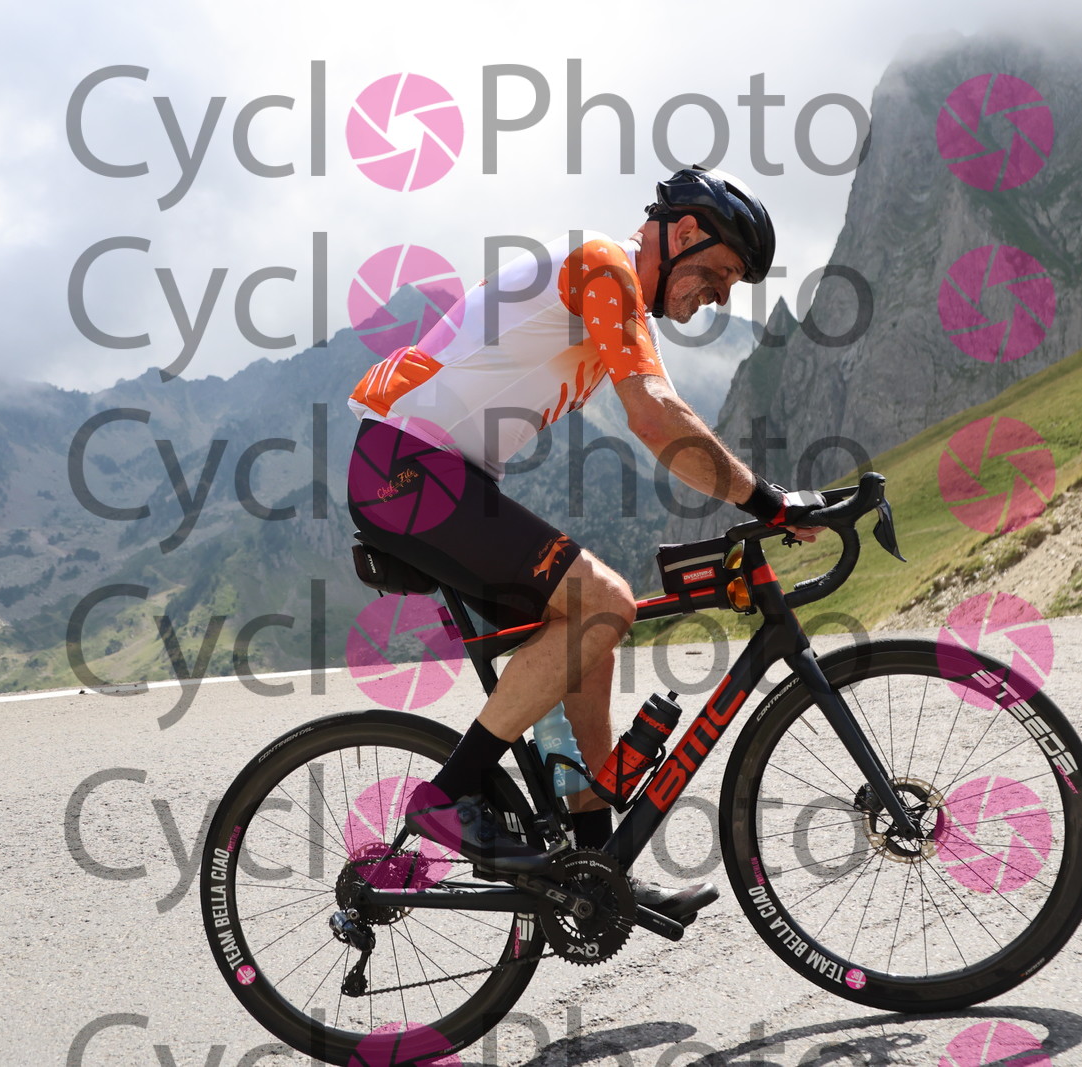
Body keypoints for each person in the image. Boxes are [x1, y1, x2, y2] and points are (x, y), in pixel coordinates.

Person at [345, 166, 814, 926]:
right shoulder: (604, 266)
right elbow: (656, 418)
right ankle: (447, 796)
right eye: (720, 273)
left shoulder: (619, 298)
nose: (721, 296)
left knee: (588, 634)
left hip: (435, 474)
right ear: (684, 233)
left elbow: (663, 412)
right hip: (406, 467)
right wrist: (771, 501)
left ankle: (600, 869)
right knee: (605, 602)